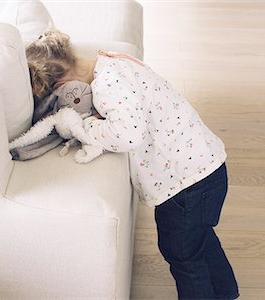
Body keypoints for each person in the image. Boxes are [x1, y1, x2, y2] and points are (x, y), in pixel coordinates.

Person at [27, 29, 240, 300]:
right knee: (199, 241)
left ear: (64, 88)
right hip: (208, 166)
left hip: (185, 184)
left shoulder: (106, 86)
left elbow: (128, 134)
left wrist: (87, 125)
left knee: (183, 255)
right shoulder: (113, 61)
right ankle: (226, 292)